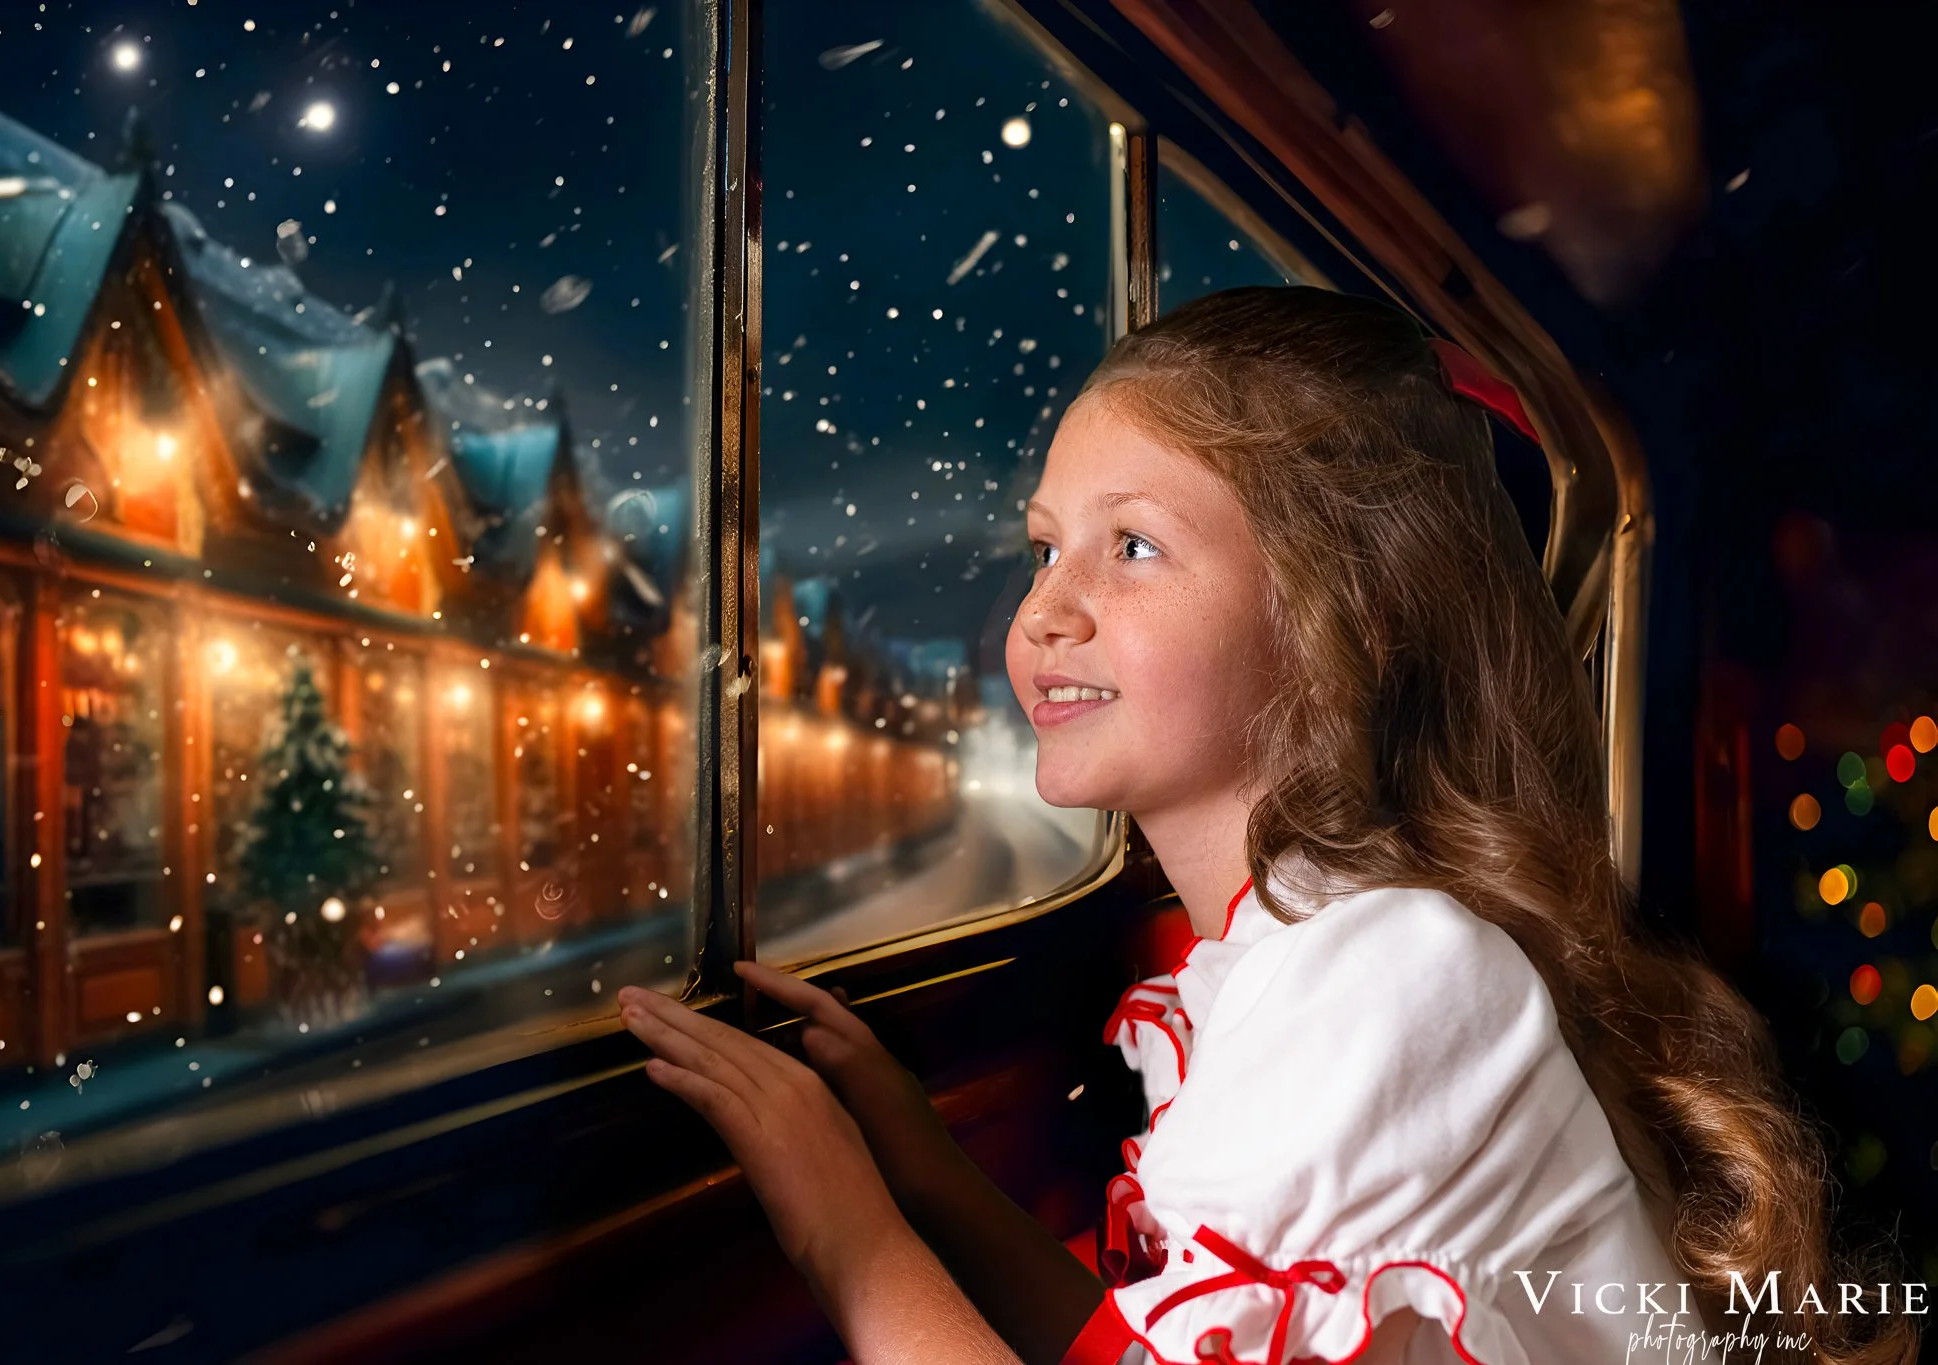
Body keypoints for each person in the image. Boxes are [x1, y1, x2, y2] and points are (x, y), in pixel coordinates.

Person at [616, 287, 1918, 1365]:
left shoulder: (1388, 971)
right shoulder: (1295, 953)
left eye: (1132, 549)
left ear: (1338, 620)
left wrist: (843, 1231)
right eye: (1042, 547)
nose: (1047, 611)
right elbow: (1128, 1348)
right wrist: (924, 1169)